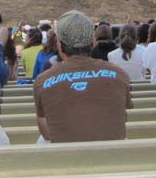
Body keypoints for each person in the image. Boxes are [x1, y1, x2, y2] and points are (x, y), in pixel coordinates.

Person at [33, 10, 132, 143]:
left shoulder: (42, 81)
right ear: (93, 41)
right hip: (113, 156)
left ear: (58, 42)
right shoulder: (120, 74)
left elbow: (47, 134)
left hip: (65, 157)